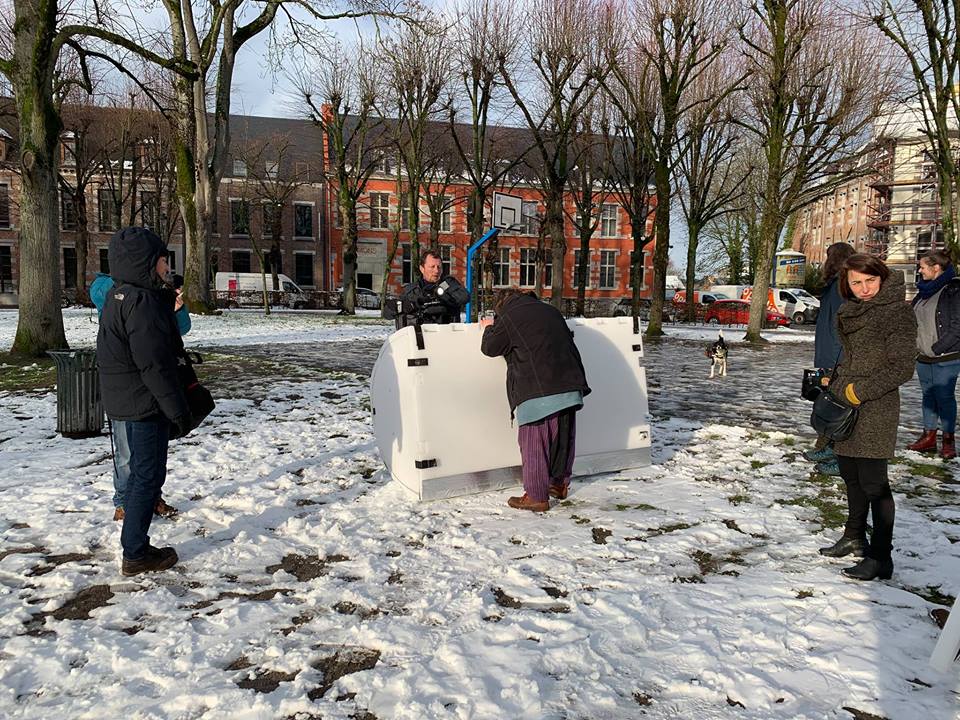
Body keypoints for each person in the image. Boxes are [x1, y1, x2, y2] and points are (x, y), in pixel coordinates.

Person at [97, 227, 192, 576]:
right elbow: (153, 363)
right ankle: (135, 552)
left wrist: (167, 301)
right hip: (145, 402)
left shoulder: (121, 295)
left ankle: (135, 545)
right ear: (148, 263)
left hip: (127, 398)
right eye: (164, 261)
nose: (168, 267)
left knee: (142, 474)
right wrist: (177, 409)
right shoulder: (142, 303)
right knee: (147, 476)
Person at [818, 254, 917, 581]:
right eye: (856, 282)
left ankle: (880, 557)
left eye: (869, 281)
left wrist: (858, 391)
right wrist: (832, 382)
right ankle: (854, 537)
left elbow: (902, 367)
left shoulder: (897, 313)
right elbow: (853, 357)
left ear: (882, 277)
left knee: (874, 484)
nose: (863, 288)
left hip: (875, 407)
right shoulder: (852, 309)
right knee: (850, 475)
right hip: (846, 406)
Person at [91, 270, 190, 521]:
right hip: (125, 385)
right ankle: (124, 502)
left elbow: (183, 328)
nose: (166, 267)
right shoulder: (112, 287)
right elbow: (99, 292)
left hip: (153, 384)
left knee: (153, 451)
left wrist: (175, 306)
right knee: (125, 452)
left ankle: (152, 497)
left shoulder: (156, 294)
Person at [480, 289, 591, 512]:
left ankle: (536, 496)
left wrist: (489, 327)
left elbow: (490, 348)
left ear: (502, 305)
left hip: (539, 391)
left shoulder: (510, 315)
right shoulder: (551, 311)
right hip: (570, 384)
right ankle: (558, 485)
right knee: (562, 442)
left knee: (533, 444)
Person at [805, 242, 856, 475]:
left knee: (840, 407)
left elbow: (841, 326)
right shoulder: (834, 285)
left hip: (837, 355)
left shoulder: (843, 287)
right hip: (829, 352)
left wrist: (837, 359)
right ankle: (829, 448)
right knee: (830, 404)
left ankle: (839, 455)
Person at [907, 249, 960, 460]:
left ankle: (948, 440)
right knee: (928, 397)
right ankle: (928, 436)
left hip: (945, 357)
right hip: (923, 356)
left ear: (936, 267)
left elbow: (957, 326)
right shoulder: (923, 292)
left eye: (922, 266)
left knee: (944, 398)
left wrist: (938, 347)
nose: (920, 271)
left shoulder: (953, 290)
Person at [391, 249, 469, 326]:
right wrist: (411, 305)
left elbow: (465, 297)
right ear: (422, 269)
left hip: (446, 334)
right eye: (432, 267)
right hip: (419, 335)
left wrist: (444, 297)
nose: (436, 271)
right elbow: (388, 312)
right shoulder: (412, 290)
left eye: (439, 267)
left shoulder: (447, 284)